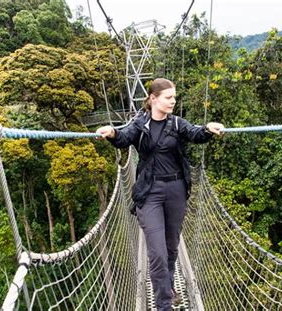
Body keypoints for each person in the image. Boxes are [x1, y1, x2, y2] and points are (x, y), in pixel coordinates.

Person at [96, 78, 223, 310]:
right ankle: (164, 304)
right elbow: (124, 137)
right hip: (149, 193)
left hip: (175, 191)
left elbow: (194, 133)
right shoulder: (139, 124)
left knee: (172, 246)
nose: (173, 101)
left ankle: (168, 285)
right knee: (157, 253)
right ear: (153, 99)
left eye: (174, 97)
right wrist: (113, 133)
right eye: (169, 97)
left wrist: (208, 129)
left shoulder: (176, 123)